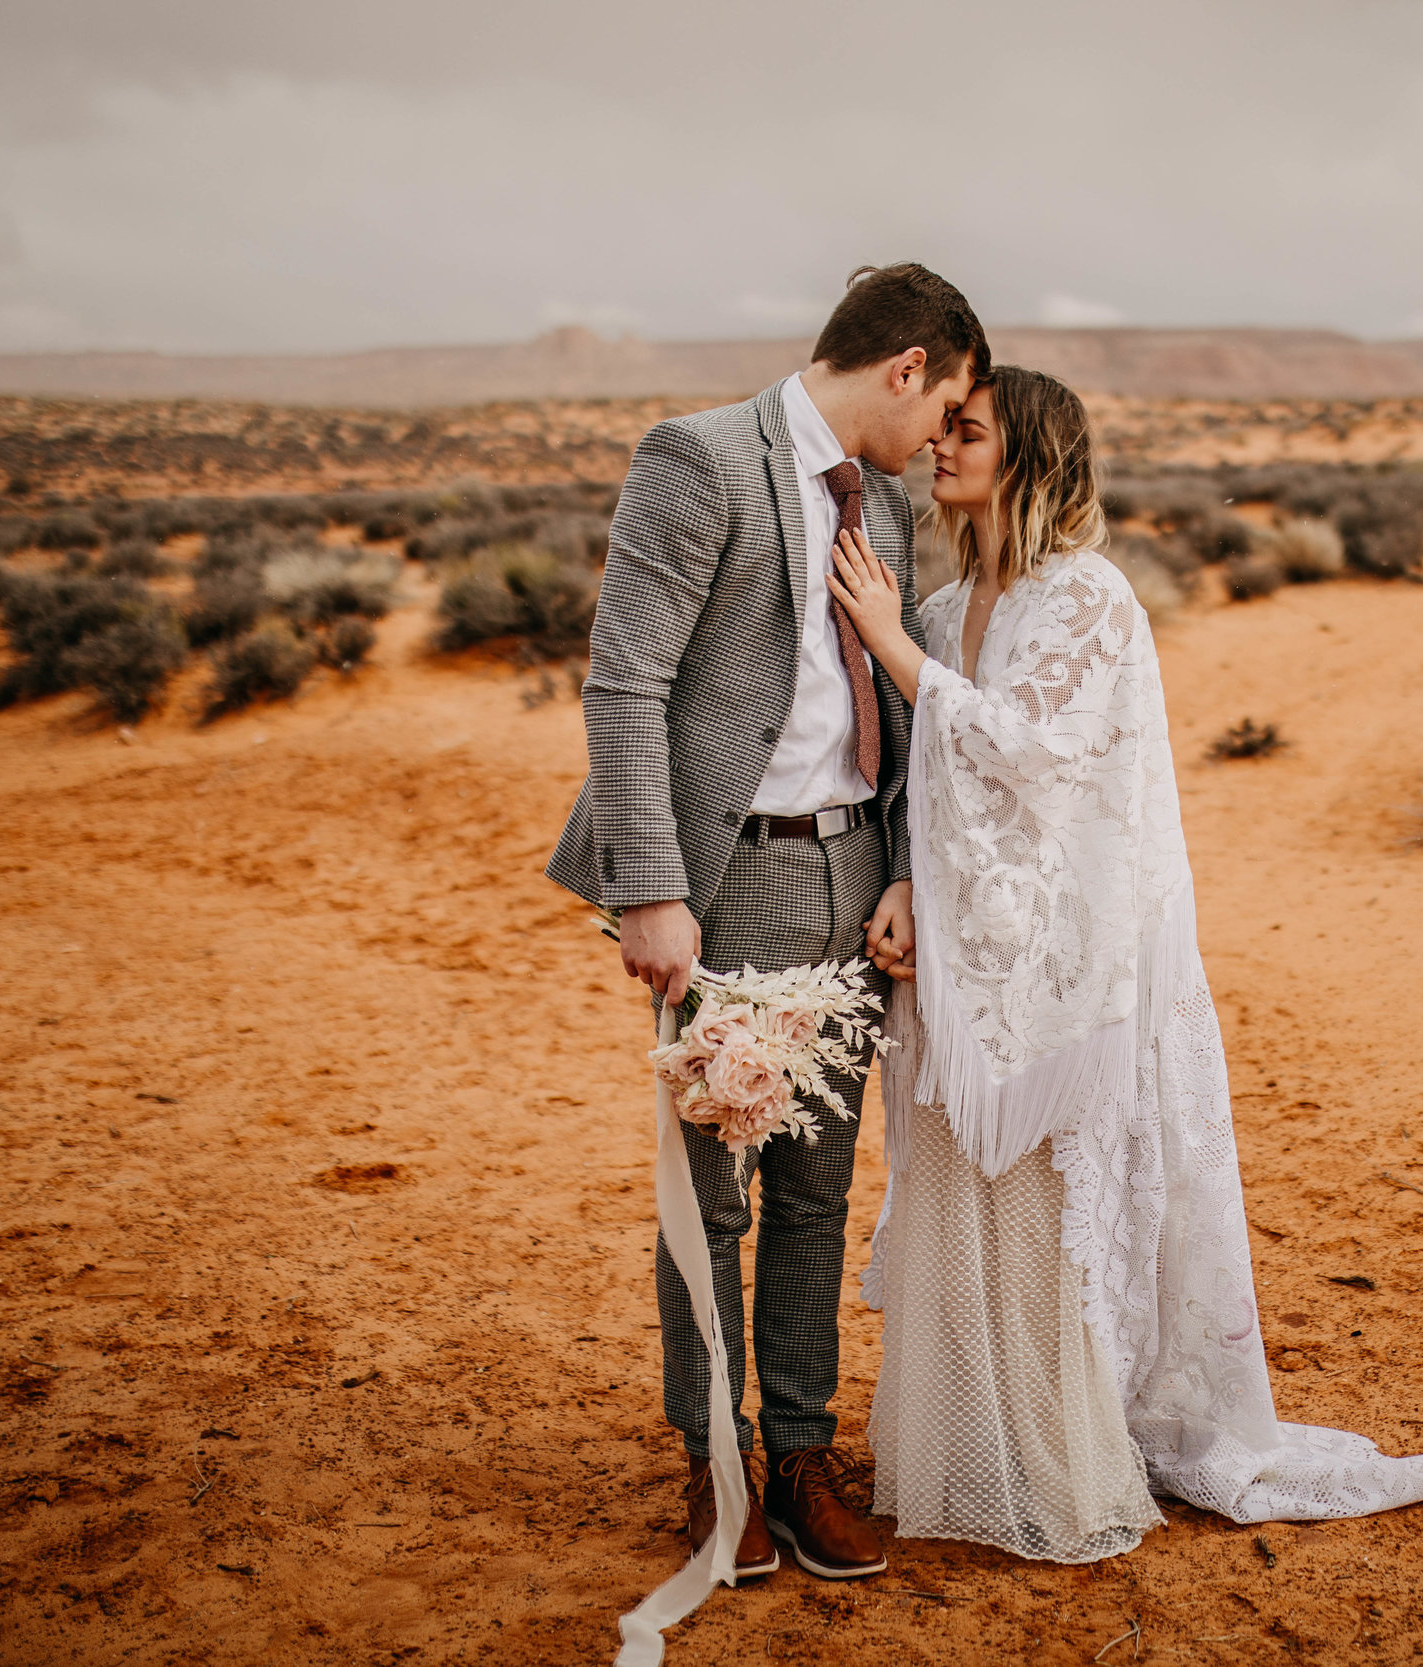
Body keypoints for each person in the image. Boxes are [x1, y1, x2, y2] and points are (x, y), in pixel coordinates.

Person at [829, 367, 1423, 1563]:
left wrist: (883, 643)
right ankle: (981, 1443)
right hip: (969, 950)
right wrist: (906, 881)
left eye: (970, 431)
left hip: (1078, 955)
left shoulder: (1091, 598)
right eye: (943, 423)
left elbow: (1034, 754)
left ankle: (1060, 1452)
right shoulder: (949, 598)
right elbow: (928, 773)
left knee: (1054, 1197)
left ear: (1033, 459)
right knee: (969, 1184)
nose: (940, 444)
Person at [546, 264, 986, 1586]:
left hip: (852, 878)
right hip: (724, 879)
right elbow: (622, 683)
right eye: (948, 399)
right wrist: (651, 887)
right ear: (905, 365)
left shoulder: (888, 503)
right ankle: (716, 1460)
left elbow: (898, 717)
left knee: (815, 1193)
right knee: (713, 1192)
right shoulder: (701, 459)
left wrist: (903, 869)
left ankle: (800, 1454)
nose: (943, 433)